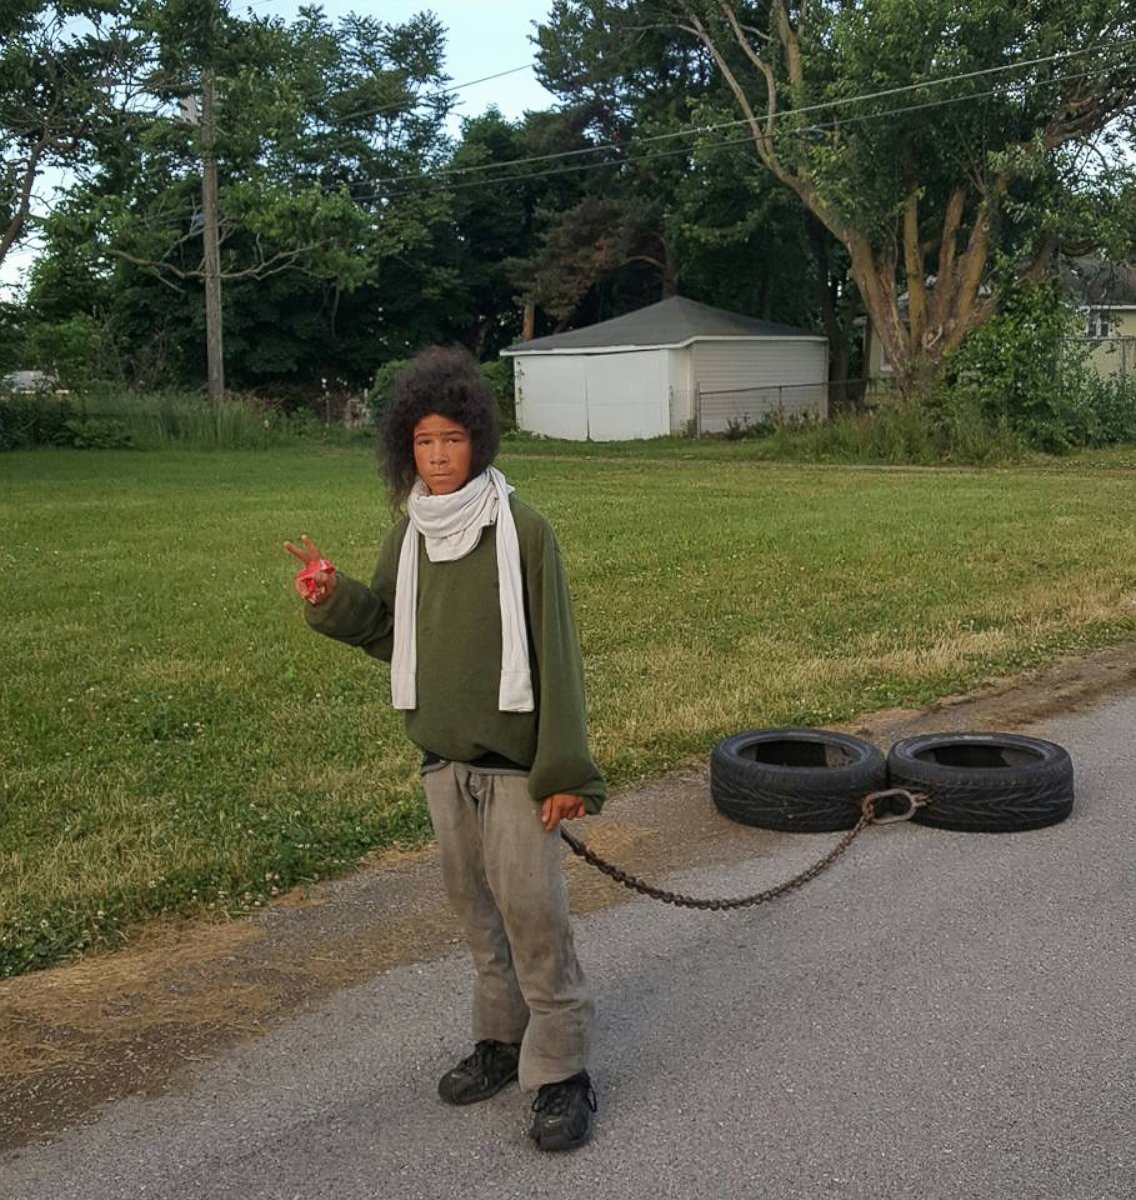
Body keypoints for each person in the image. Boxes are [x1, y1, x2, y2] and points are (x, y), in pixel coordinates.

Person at [285, 345, 605, 1152]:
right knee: (478, 916)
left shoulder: (525, 531)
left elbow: (557, 656)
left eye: (452, 439)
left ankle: (563, 1073)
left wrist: (565, 772)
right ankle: (500, 1043)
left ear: (479, 442)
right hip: (444, 765)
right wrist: (333, 597)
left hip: (519, 773)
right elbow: (395, 634)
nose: (437, 456)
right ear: (406, 447)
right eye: (424, 441)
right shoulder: (411, 534)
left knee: (535, 918)